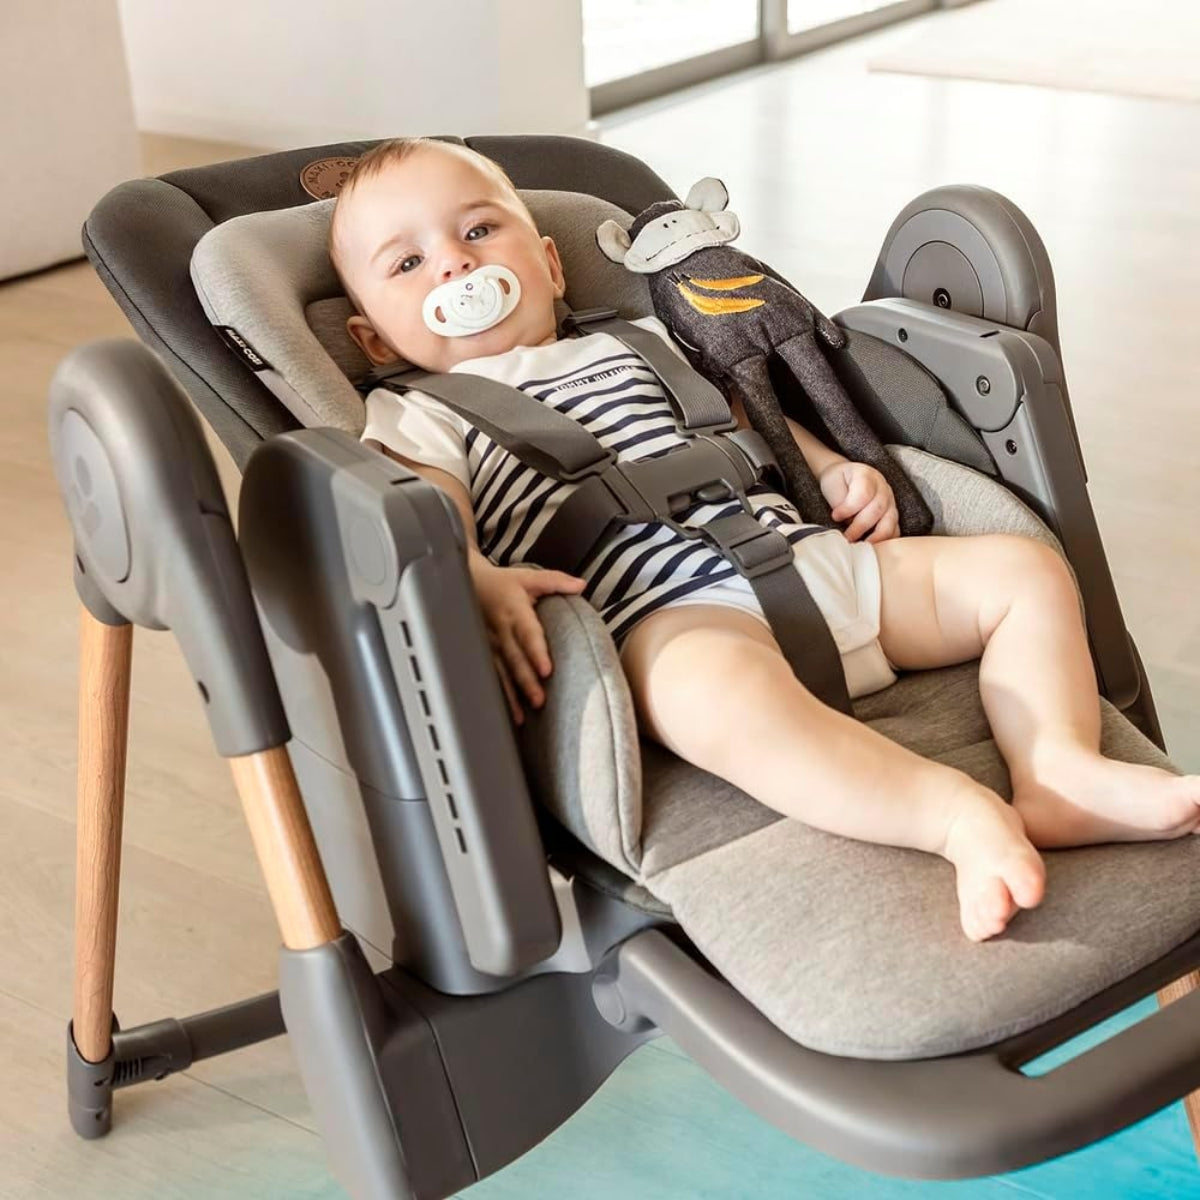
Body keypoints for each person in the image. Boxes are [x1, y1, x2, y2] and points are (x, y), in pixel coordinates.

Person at [329, 136, 1199, 942]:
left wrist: (829, 468)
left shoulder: (643, 338)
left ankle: (1058, 772)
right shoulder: (417, 411)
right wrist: (474, 573)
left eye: (479, 229)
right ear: (372, 339)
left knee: (1023, 571)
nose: (455, 263)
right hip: (667, 614)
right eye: (408, 263)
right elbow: (428, 510)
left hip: (808, 558)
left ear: (550, 265)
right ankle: (950, 815)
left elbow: (742, 422)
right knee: (712, 698)